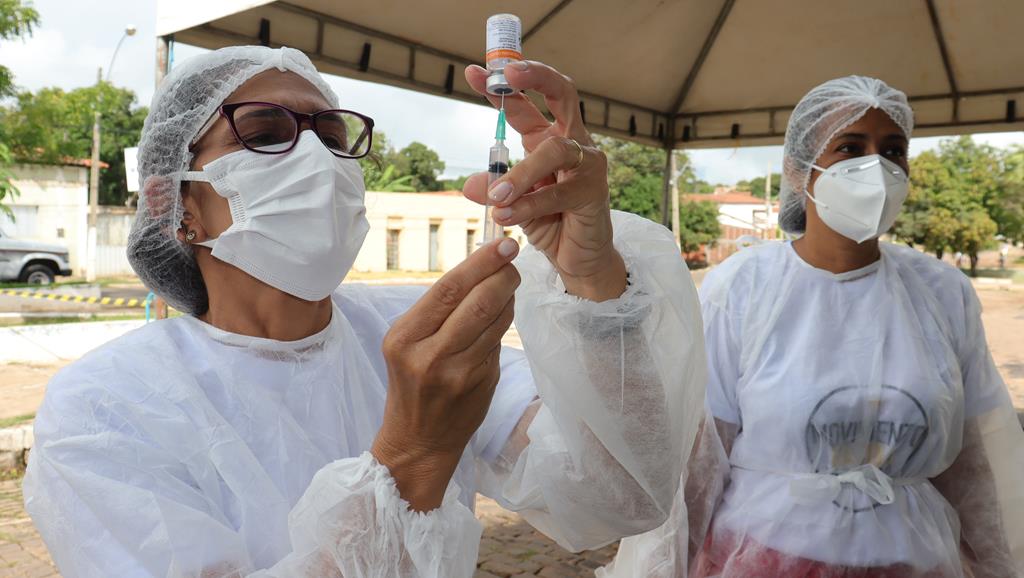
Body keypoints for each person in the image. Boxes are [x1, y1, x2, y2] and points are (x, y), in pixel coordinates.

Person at [22, 46, 707, 577]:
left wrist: (591, 280)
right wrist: (414, 456)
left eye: (331, 131)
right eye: (265, 131)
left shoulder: (409, 337)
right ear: (176, 205)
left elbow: (619, 492)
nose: (316, 156)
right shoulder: (105, 409)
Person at [600, 76, 1024, 577]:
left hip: (915, 560)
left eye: (893, 150)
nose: (878, 167)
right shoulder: (744, 287)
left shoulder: (941, 292)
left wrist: (1000, 562)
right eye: (850, 147)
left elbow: (976, 461)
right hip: (764, 557)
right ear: (800, 170)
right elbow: (699, 460)